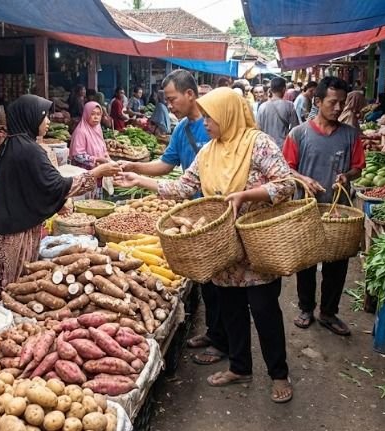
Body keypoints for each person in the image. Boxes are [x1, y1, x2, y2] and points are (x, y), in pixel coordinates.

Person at [115, 87, 296, 403]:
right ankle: (240, 367)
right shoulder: (209, 151)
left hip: (256, 245)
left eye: (211, 117)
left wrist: (246, 195)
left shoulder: (259, 144)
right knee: (231, 309)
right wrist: (140, 180)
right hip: (221, 246)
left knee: (264, 310)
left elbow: (286, 185)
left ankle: (279, 374)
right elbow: (183, 187)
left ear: (228, 114)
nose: (206, 123)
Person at [121, 70, 222, 366]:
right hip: (192, 215)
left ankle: (224, 342)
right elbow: (166, 165)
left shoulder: (214, 124)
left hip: (217, 213)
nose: (168, 105)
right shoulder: (181, 130)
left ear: (190, 94)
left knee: (222, 281)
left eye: (171, 98)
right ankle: (214, 333)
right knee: (206, 278)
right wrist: (133, 166)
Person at [0, 95, 121, 303]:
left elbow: (31, 187)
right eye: (44, 116)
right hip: (14, 232)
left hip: (7, 225)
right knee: (13, 288)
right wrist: (96, 173)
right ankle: (4, 317)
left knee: (4, 282)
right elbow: (55, 185)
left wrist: (57, 203)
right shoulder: (29, 149)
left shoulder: (11, 144)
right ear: (30, 117)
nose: (48, 121)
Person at [282, 77, 365, 336]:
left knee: (337, 263)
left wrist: (347, 176)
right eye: (332, 102)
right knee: (306, 262)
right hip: (306, 210)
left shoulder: (350, 135)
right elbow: (286, 169)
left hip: (338, 211)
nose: (338, 108)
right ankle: (306, 308)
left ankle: (328, 312)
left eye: (342, 102)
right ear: (317, 102)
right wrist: (303, 179)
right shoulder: (299, 134)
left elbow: (358, 167)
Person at [256, 77, 299, 148]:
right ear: (284, 89)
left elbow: (258, 128)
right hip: (283, 146)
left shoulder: (262, 107)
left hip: (267, 147)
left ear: (271, 89)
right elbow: (295, 128)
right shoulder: (289, 105)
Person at [70, 101, 109, 169]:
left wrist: (107, 158)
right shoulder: (81, 131)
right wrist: (96, 159)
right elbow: (77, 156)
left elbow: (103, 149)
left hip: (99, 169)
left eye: (98, 114)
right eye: (92, 114)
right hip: (84, 171)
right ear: (86, 114)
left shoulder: (98, 129)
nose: (96, 117)